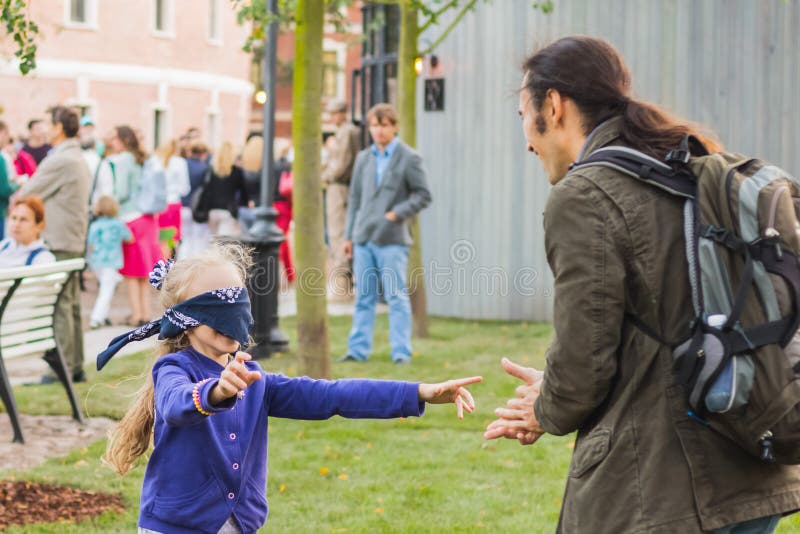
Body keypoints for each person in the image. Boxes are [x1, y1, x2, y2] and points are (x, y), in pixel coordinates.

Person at [482, 36, 800, 533]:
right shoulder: (685, 169)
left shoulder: (584, 195)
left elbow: (583, 366)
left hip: (668, 490)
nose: (526, 139)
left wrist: (546, 408)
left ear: (553, 105)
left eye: (523, 115)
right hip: (753, 469)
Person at [97, 242, 481, 533]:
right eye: (218, 307)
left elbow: (333, 396)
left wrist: (418, 393)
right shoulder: (173, 369)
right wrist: (217, 392)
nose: (233, 317)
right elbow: (176, 404)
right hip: (176, 526)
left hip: (237, 524)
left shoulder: (255, 379)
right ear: (188, 318)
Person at [341, 103, 432, 365]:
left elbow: (423, 195)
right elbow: (355, 200)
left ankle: (401, 351)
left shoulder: (409, 157)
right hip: (363, 238)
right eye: (374, 126)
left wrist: (397, 213)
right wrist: (348, 236)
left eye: (384, 125)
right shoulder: (363, 159)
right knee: (364, 297)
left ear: (394, 126)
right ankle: (357, 350)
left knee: (396, 296)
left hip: (392, 239)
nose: (378, 131)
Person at [17, 106, 91, 383]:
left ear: (59, 127)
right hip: (71, 238)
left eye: (47, 123)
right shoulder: (74, 155)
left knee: (59, 305)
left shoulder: (61, 159)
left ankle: (61, 367)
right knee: (69, 304)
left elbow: (28, 192)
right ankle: (74, 366)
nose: (44, 128)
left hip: (60, 240)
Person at [94, 125, 163, 326]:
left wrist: (106, 203)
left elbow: (122, 191)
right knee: (144, 270)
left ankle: (136, 314)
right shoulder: (144, 158)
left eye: (114, 138)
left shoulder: (124, 160)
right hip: (148, 217)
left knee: (132, 272)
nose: (111, 142)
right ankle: (146, 312)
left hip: (131, 218)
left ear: (123, 139)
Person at [321, 99, 361, 300]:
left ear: (341, 113)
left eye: (332, 113)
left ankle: (342, 284)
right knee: (335, 233)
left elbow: (343, 163)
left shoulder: (347, 132)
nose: (330, 117)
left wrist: (326, 176)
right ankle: (341, 282)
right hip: (337, 186)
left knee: (338, 233)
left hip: (340, 188)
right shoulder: (343, 132)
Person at [87, 195, 133, 329]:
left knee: (105, 287)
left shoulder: (95, 225)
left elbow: (90, 245)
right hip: (112, 262)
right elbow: (129, 238)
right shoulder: (118, 224)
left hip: (97, 262)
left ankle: (104, 316)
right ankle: (96, 318)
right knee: (106, 290)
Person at [150, 139, 190, 258]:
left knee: (159, 238)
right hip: (173, 204)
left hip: (157, 206)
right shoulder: (180, 162)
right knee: (171, 240)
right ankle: (167, 265)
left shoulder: (154, 161)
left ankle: (159, 263)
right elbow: (185, 189)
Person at [204, 141, 248, 237]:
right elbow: (244, 192)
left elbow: (206, 190)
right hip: (228, 210)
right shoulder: (236, 171)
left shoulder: (211, 170)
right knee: (223, 243)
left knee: (214, 241)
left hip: (212, 210)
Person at [178, 141, 211, 260]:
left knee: (185, 238)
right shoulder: (205, 168)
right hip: (197, 207)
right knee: (198, 239)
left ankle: (183, 262)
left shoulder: (183, 164)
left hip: (182, 205)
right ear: (203, 154)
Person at [0, 196, 56, 267]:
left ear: (39, 226)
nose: (16, 224)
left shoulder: (44, 259)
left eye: (23, 219)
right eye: (14, 218)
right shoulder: (2, 247)